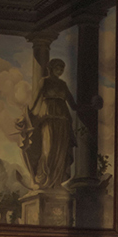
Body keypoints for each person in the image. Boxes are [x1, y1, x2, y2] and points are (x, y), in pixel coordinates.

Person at [16, 59, 77, 190]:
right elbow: (34, 102)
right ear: (51, 68)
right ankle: (42, 181)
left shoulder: (63, 84)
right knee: (48, 151)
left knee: (61, 153)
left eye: (62, 69)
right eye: (58, 68)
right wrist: (24, 116)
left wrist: (90, 106)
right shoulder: (44, 81)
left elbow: (73, 105)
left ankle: (56, 183)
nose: (60, 71)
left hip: (63, 121)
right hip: (48, 120)